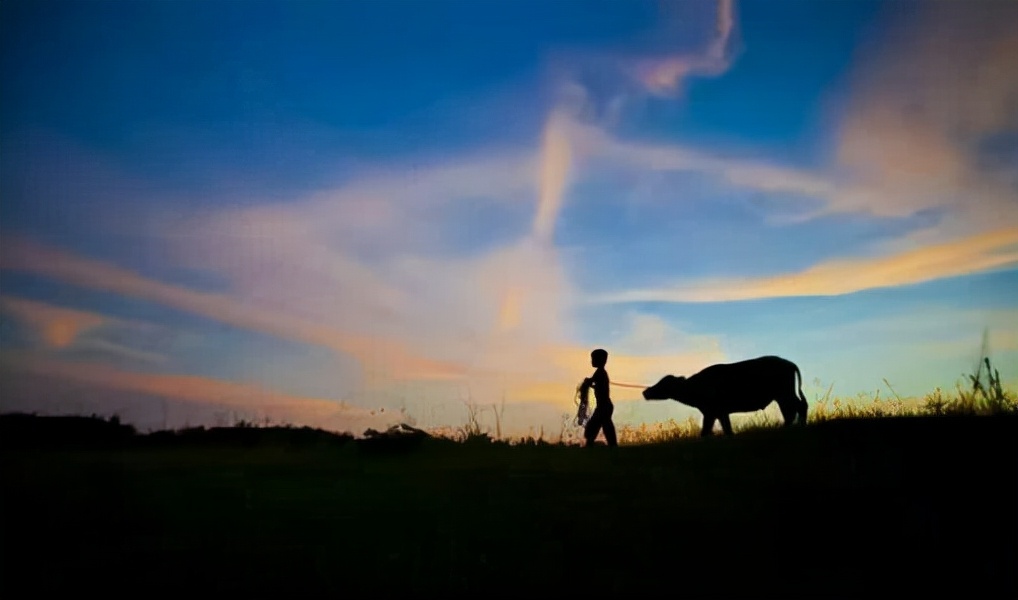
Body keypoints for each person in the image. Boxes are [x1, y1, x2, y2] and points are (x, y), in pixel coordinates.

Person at [578, 348, 617, 448]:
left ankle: (591, 445)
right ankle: (611, 445)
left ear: (600, 360)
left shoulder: (600, 372)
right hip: (605, 406)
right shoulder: (601, 372)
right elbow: (597, 385)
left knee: (595, 426)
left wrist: (587, 382)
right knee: (604, 425)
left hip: (603, 406)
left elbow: (592, 381)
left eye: (593, 359)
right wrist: (590, 383)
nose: (592, 361)